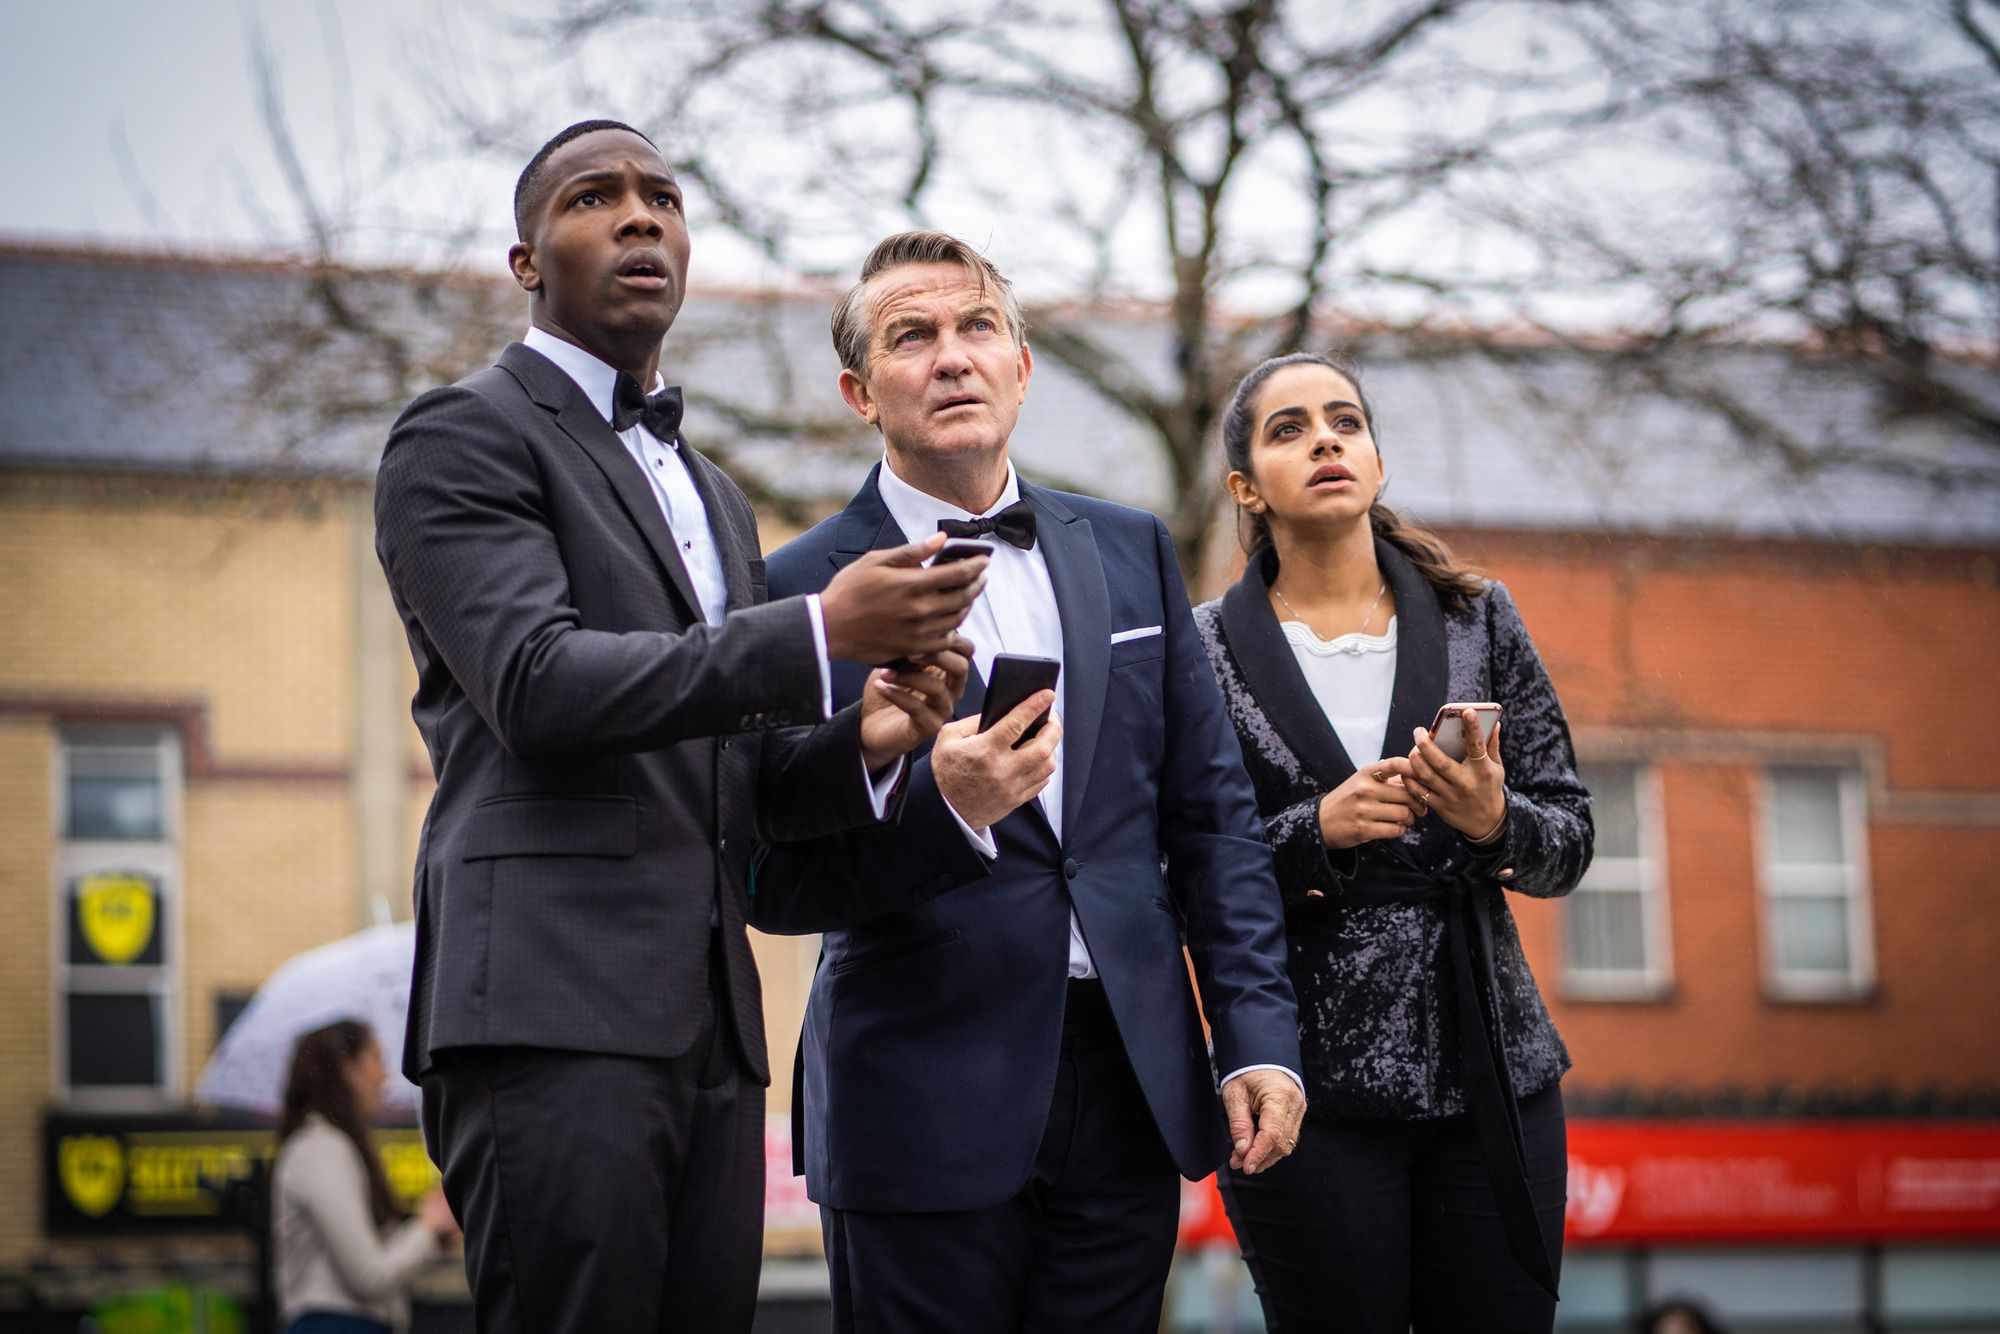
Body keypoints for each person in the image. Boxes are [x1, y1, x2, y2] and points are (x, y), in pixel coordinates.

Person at [372, 122, 984, 1333]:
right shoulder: (458, 433)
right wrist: (817, 629)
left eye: (662, 196)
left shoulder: (713, 493)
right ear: (524, 262)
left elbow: (734, 782)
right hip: (548, 1006)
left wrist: (865, 737)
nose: (640, 215)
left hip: (712, 1025)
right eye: (592, 197)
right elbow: (537, 684)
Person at [747, 230, 1305, 1333]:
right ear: (860, 392)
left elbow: (1214, 820)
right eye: (912, 336)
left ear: (1021, 364)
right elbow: (768, 877)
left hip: (1131, 1078)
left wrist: (1254, 1035)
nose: (952, 356)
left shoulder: (1132, 549)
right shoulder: (794, 593)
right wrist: (942, 810)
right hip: (915, 1091)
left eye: (977, 327)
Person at [1195, 351, 1594, 1332]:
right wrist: (1313, 833)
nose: (1324, 441)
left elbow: (1570, 839)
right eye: (1288, 429)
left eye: (1346, 422)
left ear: (1376, 460)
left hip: (1492, 1072)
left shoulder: (1477, 618)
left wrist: (1492, 820)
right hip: (1299, 1085)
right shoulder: (1200, 648)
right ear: (1245, 487)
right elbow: (1177, 866)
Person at [272, 1020, 456, 1334]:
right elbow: (369, 1276)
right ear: (348, 1068)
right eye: (377, 1060)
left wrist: (432, 1236)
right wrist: (427, 1226)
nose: (385, 1076)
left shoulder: (332, 1146)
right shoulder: (321, 1149)